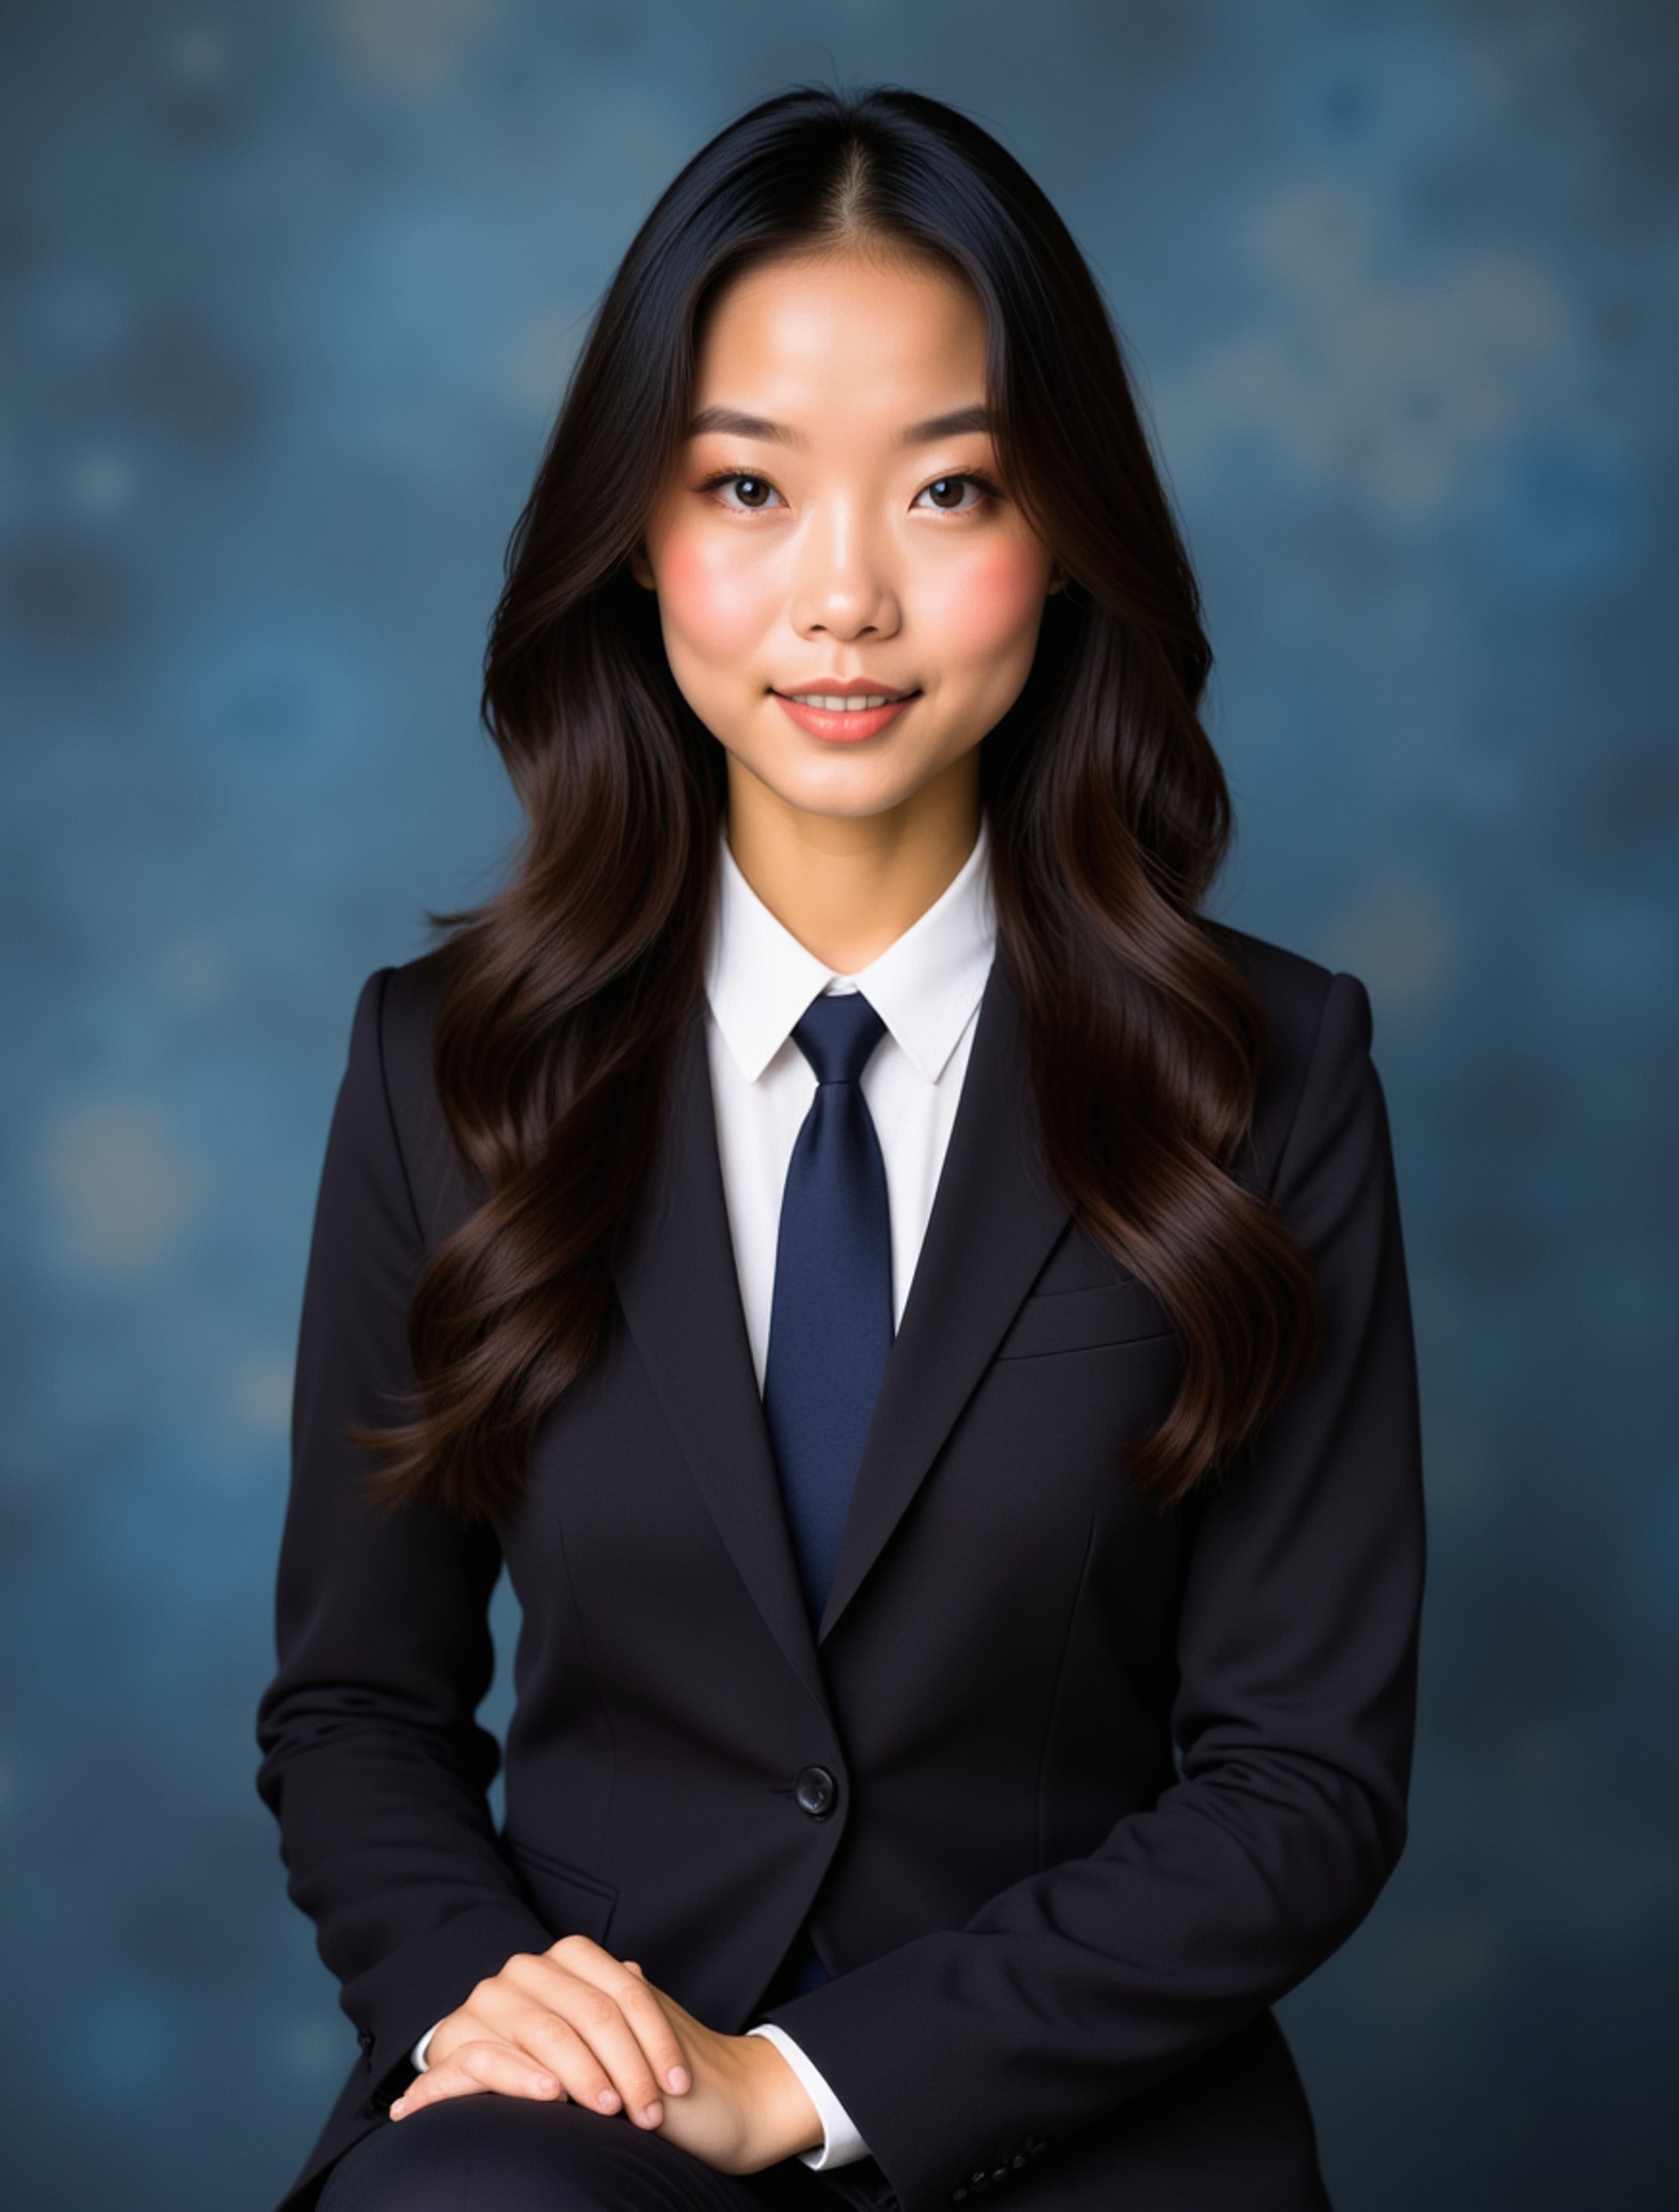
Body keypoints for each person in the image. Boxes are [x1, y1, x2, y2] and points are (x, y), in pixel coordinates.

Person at [256, 80, 1425, 2212]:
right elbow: (354, 1701)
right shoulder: (443, 1066)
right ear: (637, 525)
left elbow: (1300, 1778)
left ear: (1061, 529)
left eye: (951, 487)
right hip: (578, 2115)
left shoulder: (1271, 1066)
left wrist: (801, 2077)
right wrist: (485, 1995)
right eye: (748, 486)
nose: (845, 596)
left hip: (1078, 2114)